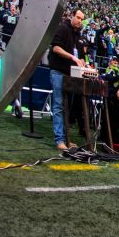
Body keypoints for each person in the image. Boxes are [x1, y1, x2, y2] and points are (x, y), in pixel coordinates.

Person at [48, 9, 90, 151]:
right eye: (78, 17)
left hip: (71, 75)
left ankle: (67, 139)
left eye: (81, 19)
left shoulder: (78, 35)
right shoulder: (63, 28)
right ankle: (59, 140)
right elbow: (56, 48)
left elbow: (79, 56)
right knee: (59, 106)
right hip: (59, 72)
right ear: (72, 16)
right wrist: (73, 58)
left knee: (67, 108)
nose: (79, 20)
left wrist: (83, 62)